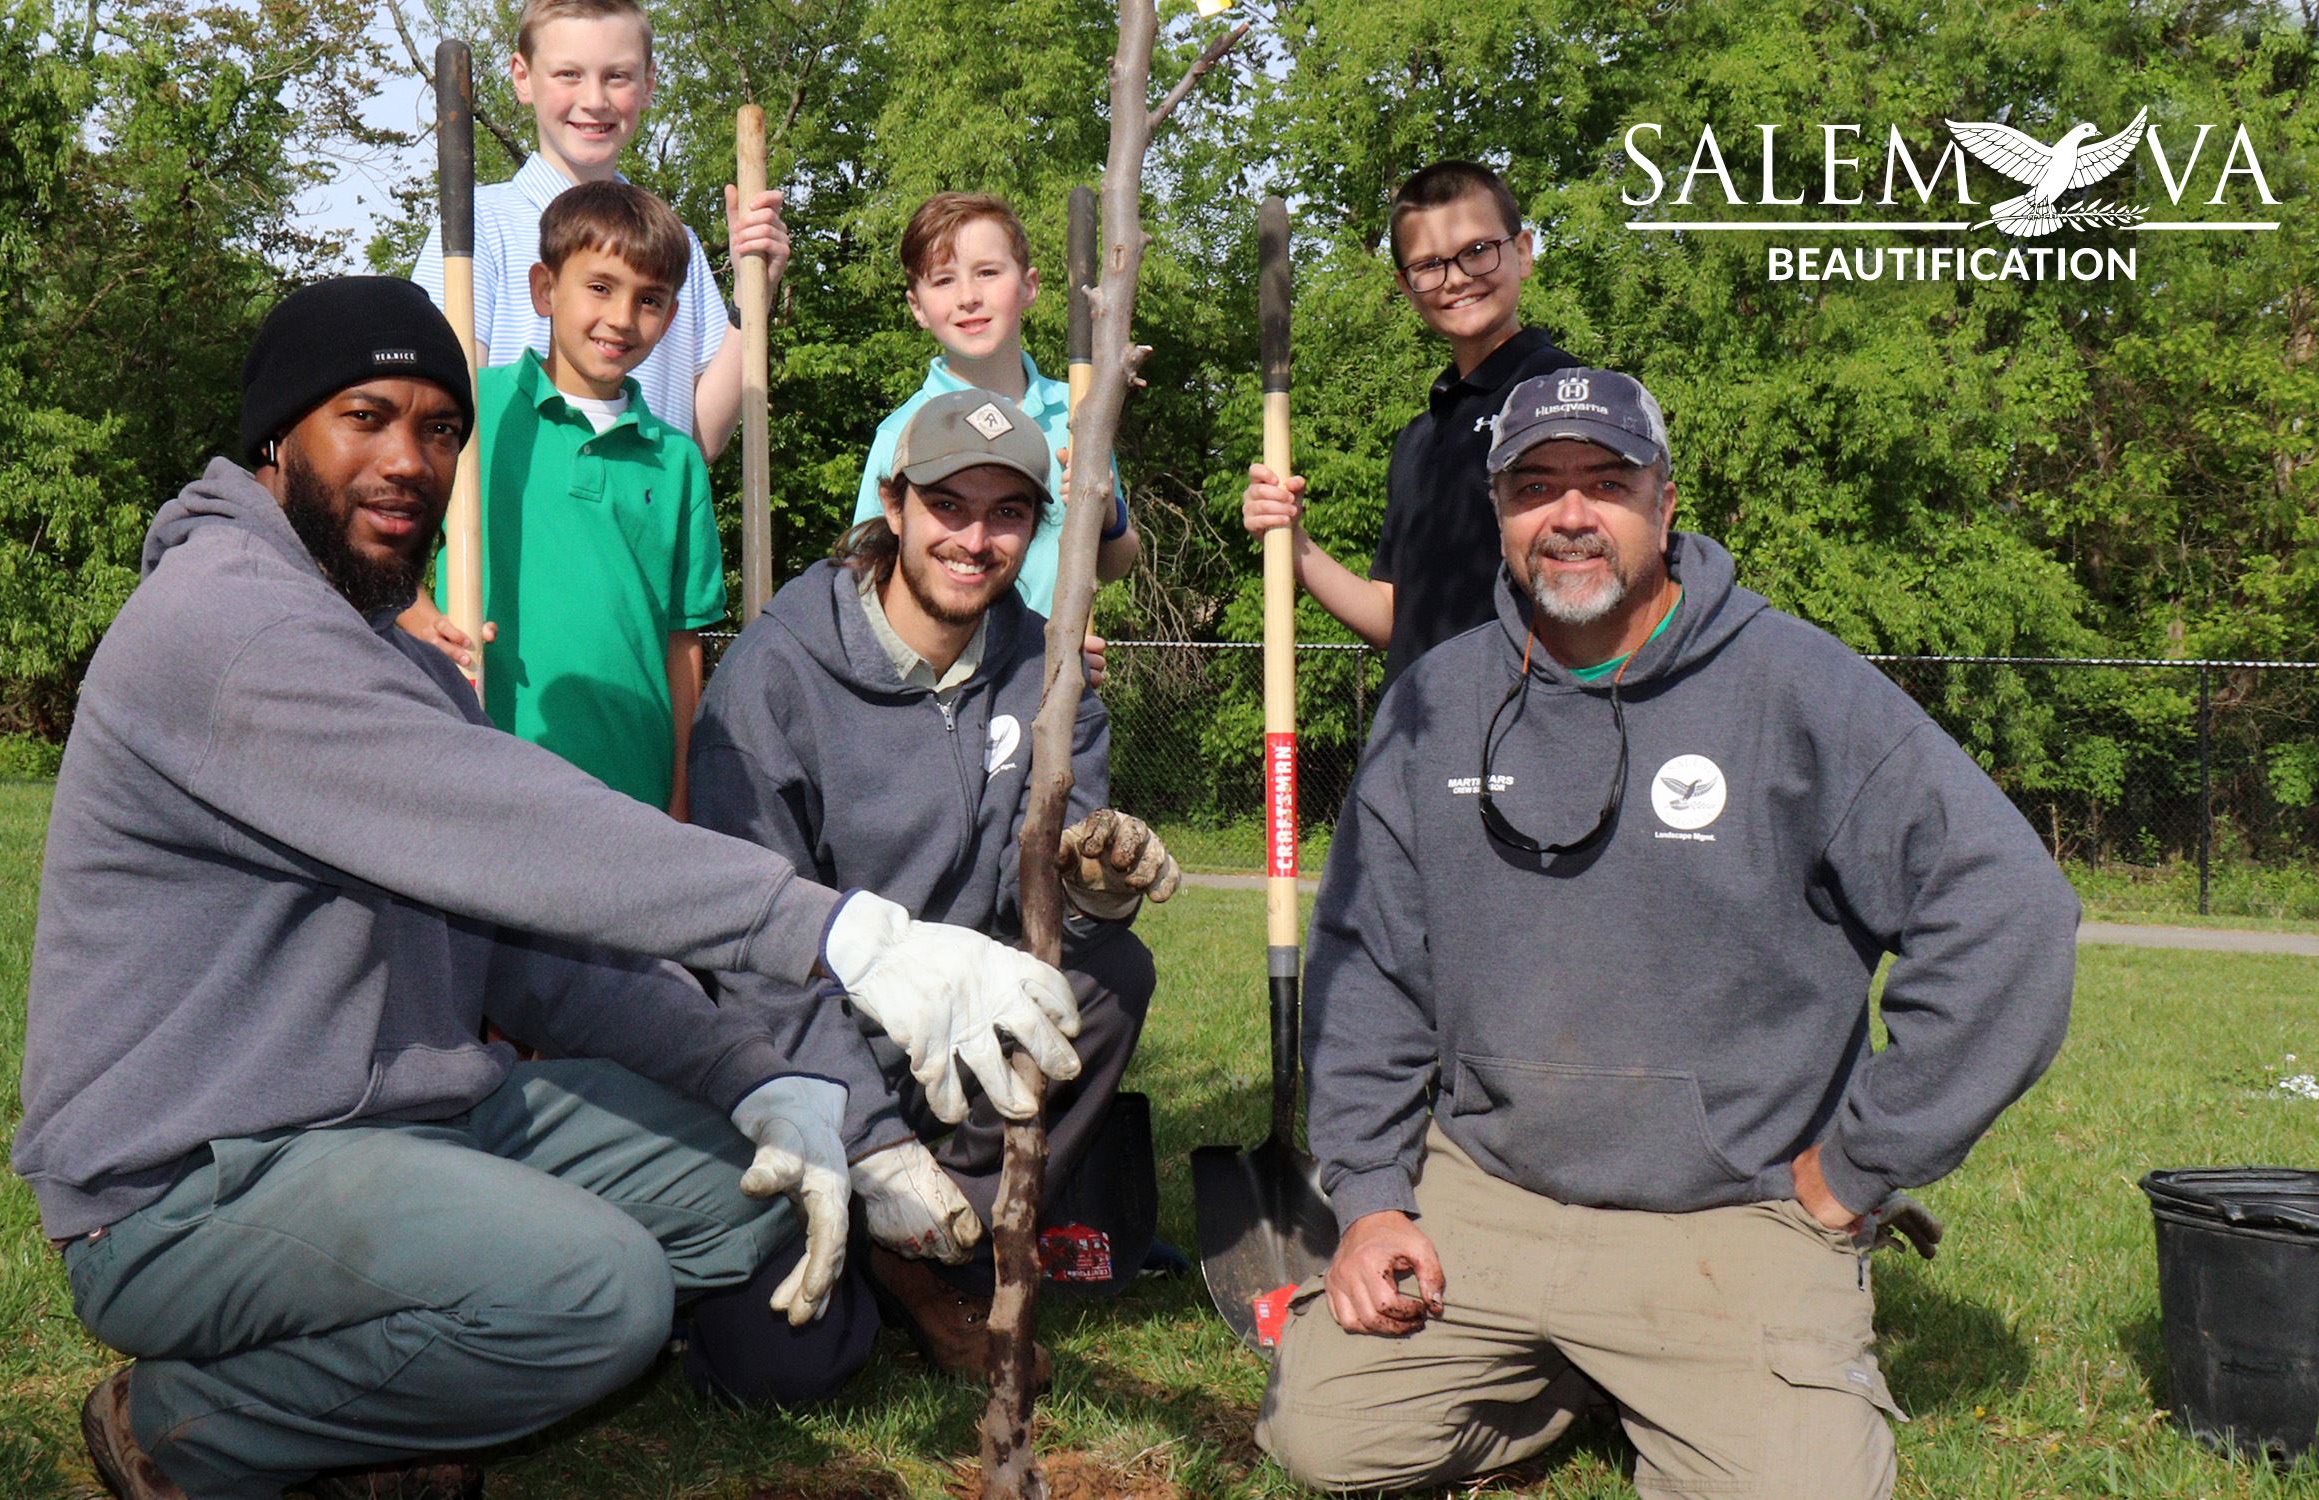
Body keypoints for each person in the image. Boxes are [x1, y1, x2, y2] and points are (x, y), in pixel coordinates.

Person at [13, 278, 1085, 1500]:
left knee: (742, 1196)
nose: (409, 461)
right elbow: (525, 835)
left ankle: (401, 1389)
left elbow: (531, 946)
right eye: (366, 416)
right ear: (275, 439)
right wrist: (841, 932)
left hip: (398, 1125)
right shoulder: (228, 629)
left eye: (438, 429)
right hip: (198, 1179)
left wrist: (758, 1079)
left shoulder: (384, 650)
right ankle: (188, 1422)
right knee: (600, 1296)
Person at [1255, 368, 2080, 1497]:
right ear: (1500, 515)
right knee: (1327, 1440)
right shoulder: (1434, 699)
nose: (1572, 514)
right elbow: (1373, 979)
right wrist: (1370, 1202)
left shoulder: (1799, 688)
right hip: (1489, 1195)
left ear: (1666, 502)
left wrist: (1858, 1167)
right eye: (1536, 486)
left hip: (1728, 1214)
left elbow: (2010, 913)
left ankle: (1660, 1375)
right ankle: (1563, 1376)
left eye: (1608, 481)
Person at [690, 389, 1176, 1379]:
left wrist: (1091, 892)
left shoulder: (1048, 676)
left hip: (960, 1042)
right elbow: (751, 949)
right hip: (811, 1041)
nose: (974, 538)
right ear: (896, 503)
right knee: (778, 1370)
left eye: (1007, 514)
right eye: (949, 504)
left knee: (1113, 975)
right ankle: (893, 1257)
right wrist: (868, 1140)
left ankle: (950, 1249)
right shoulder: (775, 678)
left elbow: (1038, 925)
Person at [422, 179, 726, 815]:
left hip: (631, 791)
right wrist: (421, 616)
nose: (620, 318)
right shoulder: (476, 411)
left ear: (671, 317)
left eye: (649, 300)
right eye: (599, 287)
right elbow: (374, 538)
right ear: (544, 289)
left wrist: (679, 791)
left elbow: (682, 643)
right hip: (485, 769)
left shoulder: (676, 463)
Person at [1241, 160, 1578, 689]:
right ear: (1405, 285)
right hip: (1424, 734)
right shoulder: (1420, 439)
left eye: (1477, 251)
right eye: (1429, 264)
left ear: (1522, 252)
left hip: (1532, 731)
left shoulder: (1567, 396)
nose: (1458, 278)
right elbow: (1390, 617)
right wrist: (1290, 539)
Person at [411, 0, 782, 460]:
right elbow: (446, 409)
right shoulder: (474, 224)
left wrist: (750, 297)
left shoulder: (673, 241)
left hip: (645, 520)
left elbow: (697, 439)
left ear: (647, 84)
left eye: (617, 76)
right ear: (522, 77)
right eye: (569, 74)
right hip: (517, 522)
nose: (594, 100)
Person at [850, 192, 1140, 617]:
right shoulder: (900, 433)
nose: (968, 296)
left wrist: (1109, 518)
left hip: (1055, 674)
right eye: (944, 279)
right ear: (918, 307)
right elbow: (865, 579)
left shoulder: (1079, 410)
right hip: (947, 680)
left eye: (987, 272)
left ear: (1029, 286)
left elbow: (1115, 563)